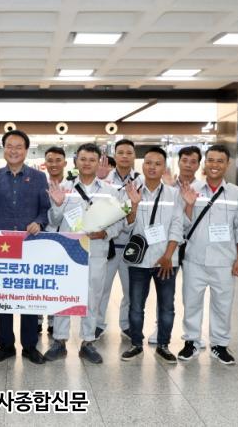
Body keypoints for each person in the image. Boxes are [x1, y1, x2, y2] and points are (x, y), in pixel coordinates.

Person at [0, 129, 50, 365]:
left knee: (28, 294)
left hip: (30, 243)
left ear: (26, 151)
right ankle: (5, 345)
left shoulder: (39, 177)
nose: (14, 150)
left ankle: (29, 346)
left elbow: (45, 209)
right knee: (4, 295)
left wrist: (39, 222)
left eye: (19, 147)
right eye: (9, 146)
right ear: (3, 149)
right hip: (2, 245)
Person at [44, 143, 123, 364]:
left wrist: (105, 233)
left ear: (99, 163)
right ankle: (59, 341)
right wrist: (58, 204)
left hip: (96, 251)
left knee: (93, 297)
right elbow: (53, 221)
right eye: (83, 159)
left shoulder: (110, 191)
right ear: (75, 161)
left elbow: (120, 222)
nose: (87, 163)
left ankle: (88, 342)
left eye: (92, 159)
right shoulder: (63, 187)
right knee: (64, 295)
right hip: (67, 251)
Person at [177, 145, 238, 365]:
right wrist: (189, 205)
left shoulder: (236, 193)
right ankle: (191, 342)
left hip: (224, 260)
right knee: (191, 303)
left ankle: (219, 344)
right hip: (194, 259)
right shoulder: (191, 189)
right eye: (210, 160)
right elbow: (182, 225)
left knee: (222, 304)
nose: (214, 165)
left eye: (220, 161)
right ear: (204, 163)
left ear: (227, 164)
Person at [121, 147, 183, 364]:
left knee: (166, 306)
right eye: (148, 163)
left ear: (164, 167)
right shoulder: (131, 191)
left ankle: (163, 345)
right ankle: (136, 344)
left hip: (166, 260)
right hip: (140, 260)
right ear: (142, 165)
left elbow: (177, 226)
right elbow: (126, 227)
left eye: (157, 163)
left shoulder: (174, 194)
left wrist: (168, 256)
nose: (152, 167)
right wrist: (134, 205)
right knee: (136, 305)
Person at [97, 139, 142, 340]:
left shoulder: (141, 180)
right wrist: (99, 178)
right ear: (115, 155)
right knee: (101, 288)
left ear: (134, 156)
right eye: (121, 152)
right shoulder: (104, 178)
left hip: (132, 244)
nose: (125, 156)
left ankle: (127, 324)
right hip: (108, 243)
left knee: (131, 290)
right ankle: (97, 324)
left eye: (129, 152)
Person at [160, 145, 203, 347]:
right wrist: (171, 190)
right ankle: (160, 329)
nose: (188, 165)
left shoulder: (203, 188)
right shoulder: (166, 185)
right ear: (178, 162)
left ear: (198, 165)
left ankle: (192, 335)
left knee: (192, 293)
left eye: (193, 161)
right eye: (184, 160)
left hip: (194, 246)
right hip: (171, 245)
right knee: (165, 292)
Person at [37, 146, 68, 335]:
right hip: (41, 240)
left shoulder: (72, 186)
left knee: (58, 283)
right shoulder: (39, 185)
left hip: (65, 242)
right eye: (50, 160)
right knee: (40, 282)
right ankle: (38, 319)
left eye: (58, 160)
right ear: (45, 163)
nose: (54, 164)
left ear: (65, 163)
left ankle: (54, 321)